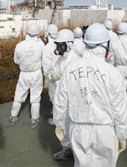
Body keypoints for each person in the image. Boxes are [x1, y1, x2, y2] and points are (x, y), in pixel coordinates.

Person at [53, 23, 127, 167]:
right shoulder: (113, 73)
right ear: (104, 45)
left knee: (81, 163)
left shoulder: (71, 68)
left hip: (79, 130)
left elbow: (60, 99)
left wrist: (59, 122)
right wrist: (122, 134)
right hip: (105, 131)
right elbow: (120, 108)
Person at [50, 29, 79, 161]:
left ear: (69, 44)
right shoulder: (61, 58)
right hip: (61, 98)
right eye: (57, 45)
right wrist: (52, 74)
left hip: (71, 99)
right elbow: (54, 69)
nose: (58, 48)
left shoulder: (75, 60)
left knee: (70, 125)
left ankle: (73, 151)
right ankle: (67, 150)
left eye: (61, 46)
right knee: (63, 125)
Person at [9, 23, 45, 128]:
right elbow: (44, 60)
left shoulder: (19, 45)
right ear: (37, 33)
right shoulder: (41, 44)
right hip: (36, 73)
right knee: (35, 98)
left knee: (18, 96)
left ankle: (13, 116)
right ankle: (34, 119)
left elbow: (16, 61)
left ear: (27, 32)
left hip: (24, 74)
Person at [43, 24, 59, 106]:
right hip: (62, 75)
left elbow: (46, 65)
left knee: (54, 98)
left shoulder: (47, 47)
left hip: (52, 76)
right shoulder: (60, 43)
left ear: (47, 34)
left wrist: (46, 75)